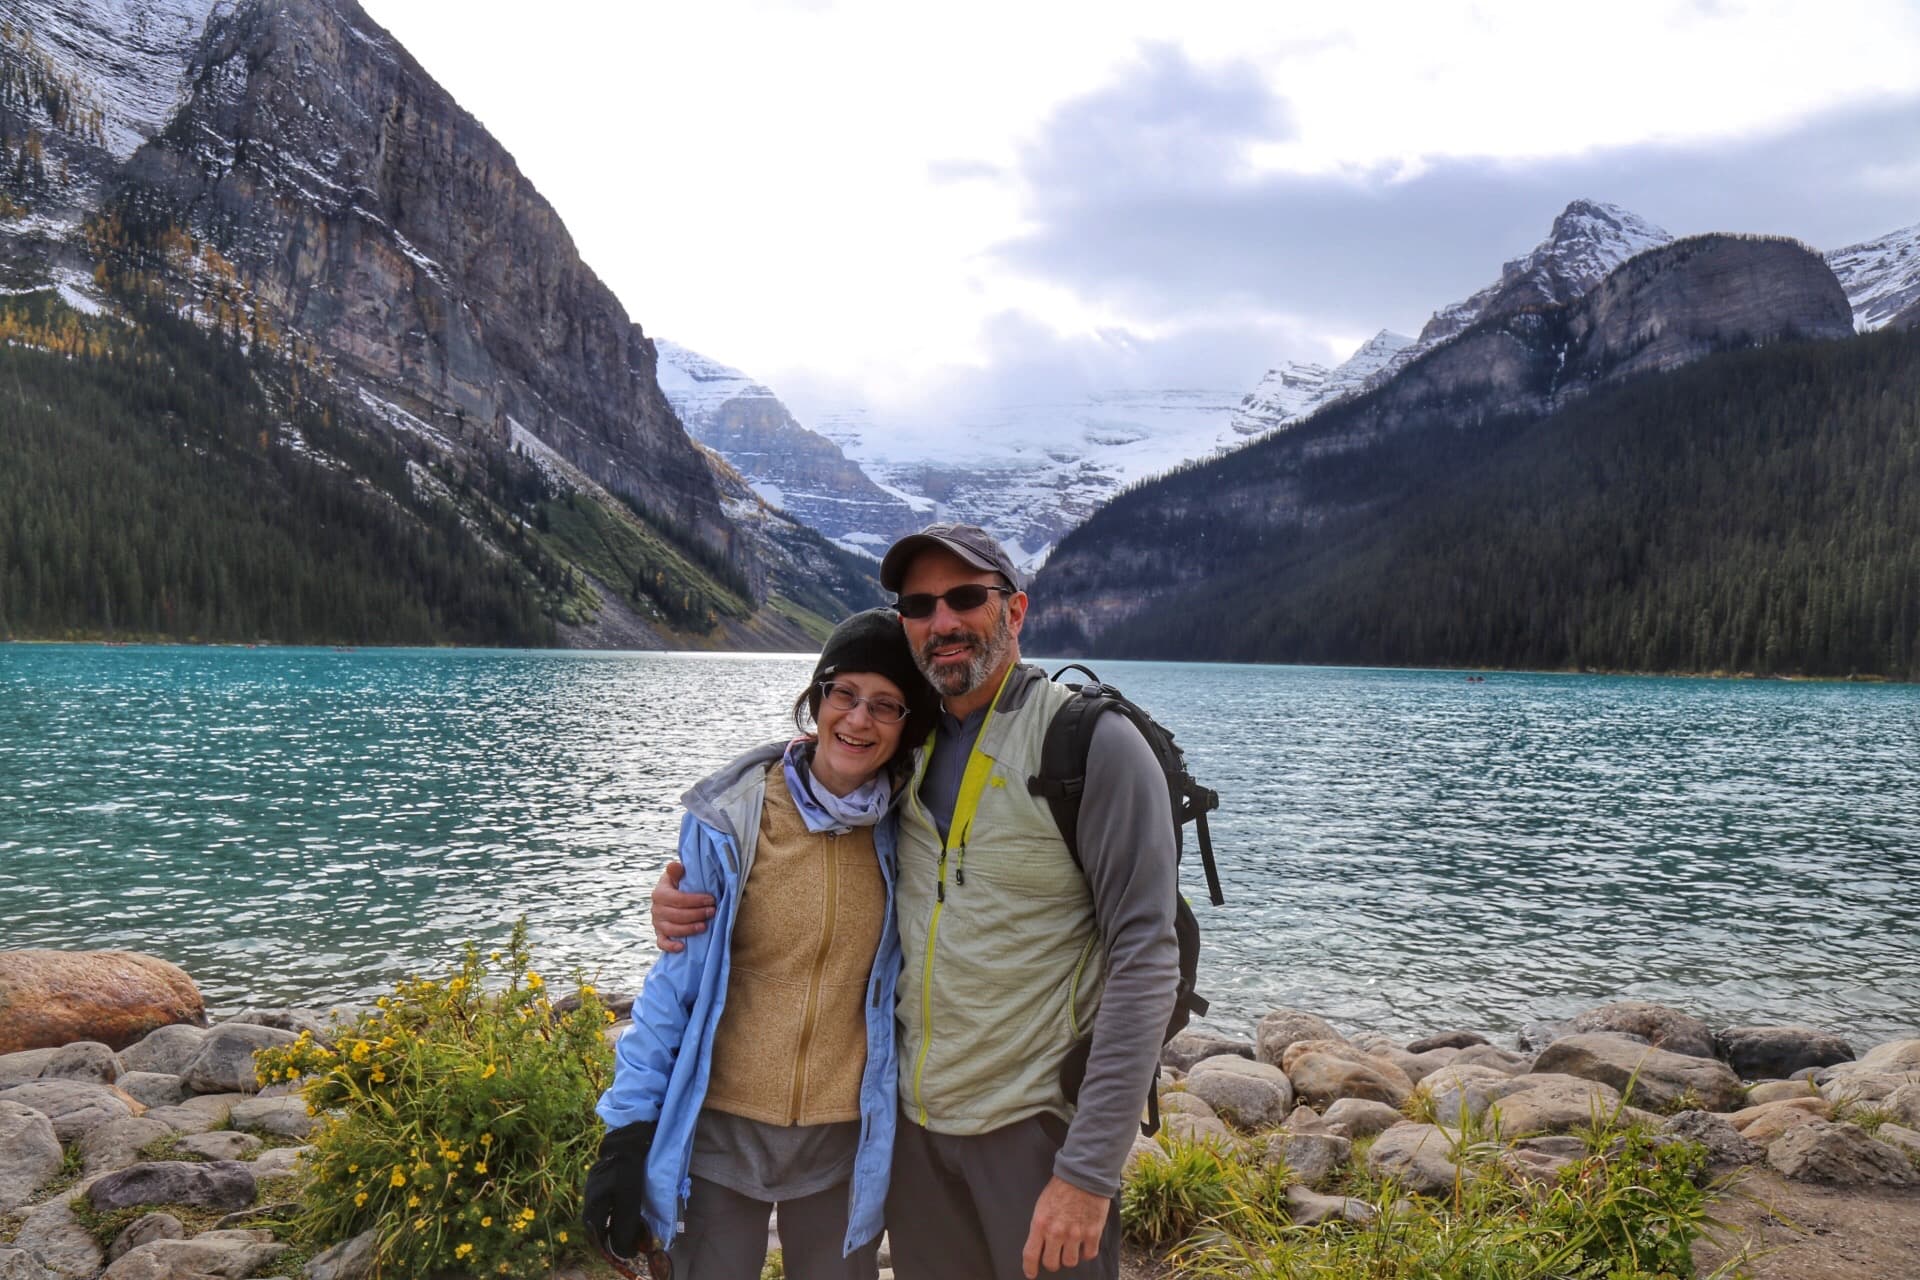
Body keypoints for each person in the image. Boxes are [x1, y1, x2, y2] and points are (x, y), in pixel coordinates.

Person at [653, 524, 1179, 1280]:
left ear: (1016, 609)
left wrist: (1090, 1172)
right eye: (919, 605)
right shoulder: (908, 748)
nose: (943, 621)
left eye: (966, 597)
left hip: (1035, 1134)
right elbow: (801, 791)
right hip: (913, 1140)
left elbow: (1146, 957)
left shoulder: (1090, 745)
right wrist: (692, 892)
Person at [584, 608, 936, 1280]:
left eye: (886, 705)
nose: (859, 719)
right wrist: (625, 1133)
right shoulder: (733, 821)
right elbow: (675, 986)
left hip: (843, 1144)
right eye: (844, 693)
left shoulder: (912, 828)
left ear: (906, 726)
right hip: (721, 1136)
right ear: (817, 699)